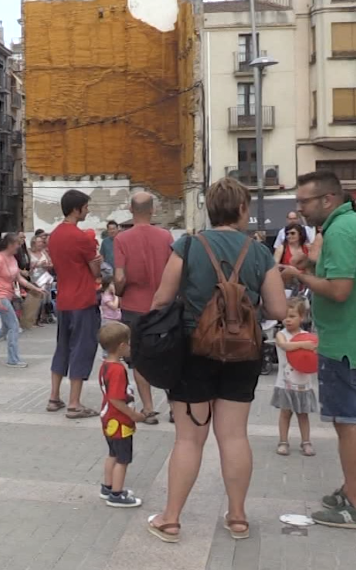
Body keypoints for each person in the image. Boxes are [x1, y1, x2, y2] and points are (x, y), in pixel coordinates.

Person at [148, 177, 287, 543]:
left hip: (195, 351)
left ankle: (171, 519)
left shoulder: (189, 245)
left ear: (210, 210)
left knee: (189, 440)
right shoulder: (259, 252)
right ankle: (238, 517)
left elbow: (161, 299)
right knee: (234, 436)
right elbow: (278, 308)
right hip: (244, 353)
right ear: (242, 209)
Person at [281, 170, 356, 530]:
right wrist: (311, 264)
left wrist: (298, 277)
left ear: (327, 200)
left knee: (348, 423)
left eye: (304, 202)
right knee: (348, 420)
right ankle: (351, 487)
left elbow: (339, 289)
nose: (300, 210)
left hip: (347, 344)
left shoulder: (340, 231)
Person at [113, 192, 173, 425]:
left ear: (130, 209)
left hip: (133, 307)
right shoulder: (166, 236)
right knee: (167, 356)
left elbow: (119, 276)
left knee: (139, 359)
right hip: (162, 305)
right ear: (153, 210)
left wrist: (119, 292)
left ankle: (148, 408)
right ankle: (174, 406)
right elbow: (173, 271)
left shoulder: (121, 239)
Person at [48, 190, 103, 419]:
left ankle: (54, 397)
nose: (88, 210)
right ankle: (74, 402)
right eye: (86, 207)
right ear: (76, 208)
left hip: (64, 299)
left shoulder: (54, 236)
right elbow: (95, 269)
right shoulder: (82, 238)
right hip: (82, 298)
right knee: (82, 347)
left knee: (63, 346)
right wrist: (98, 263)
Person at [0, 233, 45, 367]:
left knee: (5, 329)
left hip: (7, 296)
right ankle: (13, 359)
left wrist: (36, 289)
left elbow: (19, 278)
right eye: (18, 243)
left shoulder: (12, 258)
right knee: (14, 326)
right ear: (10, 245)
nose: (20, 246)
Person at [97, 321, 145, 508]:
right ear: (122, 346)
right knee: (123, 459)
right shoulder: (117, 370)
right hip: (119, 421)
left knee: (113, 453)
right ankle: (117, 493)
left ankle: (108, 487)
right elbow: (116, 398)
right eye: (129, 343)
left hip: (108, 418)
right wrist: (133, 415)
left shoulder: (106, 366)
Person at [272, 298, 319, 457]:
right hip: (285, 384)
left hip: (303, 383)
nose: (287, 320)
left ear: (302, 317)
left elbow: (315, 353)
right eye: (285, 316)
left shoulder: (308, 337)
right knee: (285, 413)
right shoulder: (281, 334)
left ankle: (306, 442)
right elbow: (284, 346)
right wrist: (302, 345)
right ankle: (283, 441)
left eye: (292, 316)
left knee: (302, 414)